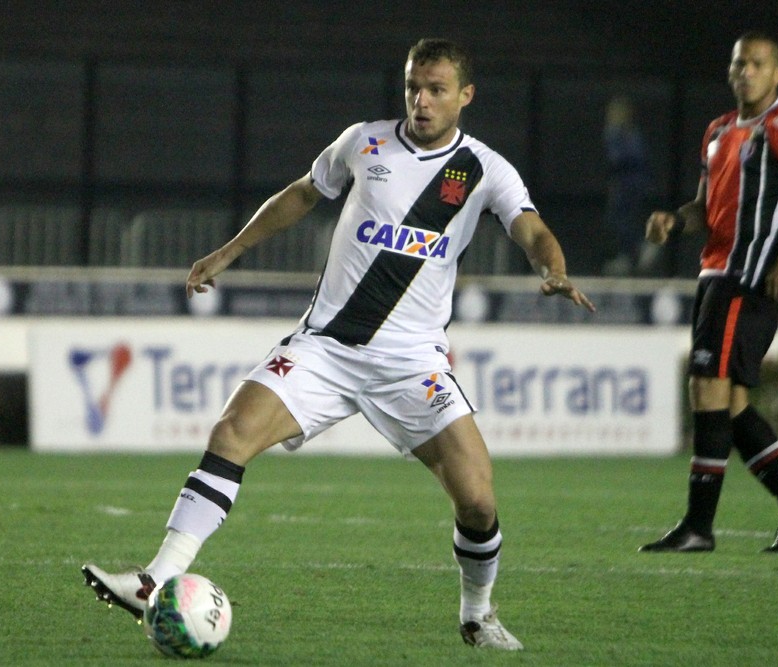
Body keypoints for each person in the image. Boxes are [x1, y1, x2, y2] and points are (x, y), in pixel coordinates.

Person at [81, 37, 595, 650]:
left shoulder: (483, 169)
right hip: (326, 347)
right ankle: (154, 580)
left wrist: (552, 269)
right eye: (413, 87)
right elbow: (302, 193)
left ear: (466, 96)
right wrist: (228, 251)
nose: (421, 101)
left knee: (479, 502)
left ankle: (477, 615)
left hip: (411, 363)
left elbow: (530, 228)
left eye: (436, 90)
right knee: (231, 433)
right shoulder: (364, 142)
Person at [639, 32, 778, 553]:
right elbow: (704, 208)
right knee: (728, 405)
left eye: (757, 64)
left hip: (749, 279)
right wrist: (674, 221)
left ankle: (698, 527)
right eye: (739, 64)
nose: (746, 72)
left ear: (777, 74)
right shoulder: (717, 130)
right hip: (716, 274)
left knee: (707, 389)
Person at [601, 96, 654, 276]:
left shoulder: (619, 133)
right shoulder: (627, 133)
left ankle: (640, 247)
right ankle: (627, 255)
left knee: (620, 218)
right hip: (630, 180)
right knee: (619, 219)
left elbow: (619, 159)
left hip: (628, 182)